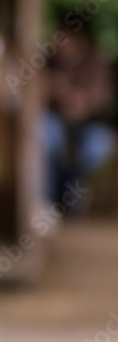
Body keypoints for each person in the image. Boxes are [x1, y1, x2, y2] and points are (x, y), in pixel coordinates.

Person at [43, 22, 115, 210]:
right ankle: (46, 204)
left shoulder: (96, 63)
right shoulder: (47, 61)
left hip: (90, 127)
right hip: (57, 125)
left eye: (66, 39)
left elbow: (97, 101)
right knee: (45, 132)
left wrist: (76, 99)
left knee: (96, 147)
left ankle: (72, 190)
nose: (62, 44)